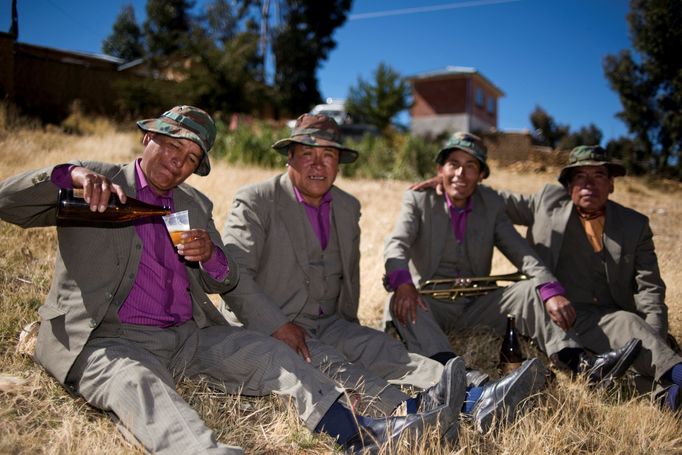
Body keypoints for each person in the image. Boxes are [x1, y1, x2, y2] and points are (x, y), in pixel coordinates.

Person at [0, 106, 450, 454]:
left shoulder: (193, 205)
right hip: (108, 341)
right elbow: (9, 202)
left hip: (189, 337)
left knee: (274, 355)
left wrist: (211, 256)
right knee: (142, 389)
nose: (178, 162)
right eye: (172, 146)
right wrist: (70, 175)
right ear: (147, 138)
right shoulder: (96, 183)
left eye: (191, 158)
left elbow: (226, 278)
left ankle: (361, 432)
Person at [220, 113, 548, 436]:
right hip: (274, 325)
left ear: (339, 163)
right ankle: (412, 414)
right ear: (289, 157)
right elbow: (234, 276)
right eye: (307, 154)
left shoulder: (347, 207)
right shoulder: (256, 200)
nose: (318, 165)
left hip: (330, 322)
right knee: (339, 366)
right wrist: (277, 325)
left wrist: (348, 325)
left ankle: (478, 393)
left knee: (385, 350)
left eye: (328, 155)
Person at [384, 132, 641, 387]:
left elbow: (523, 253)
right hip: (430, 304)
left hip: (477, 305)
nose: (460, 174)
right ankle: (457, 374)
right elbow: (397, 244)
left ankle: (581, 363)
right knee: (402, 301)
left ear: (482, 175)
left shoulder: (491, 203)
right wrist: (403, 283)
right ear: (440, 169)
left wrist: (551, 290)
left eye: (470, 166)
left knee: (531, 289)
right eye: (454, 164)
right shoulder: (418, 199)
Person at [500, 145, 682, 411]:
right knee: (630, 340)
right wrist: (450, 184)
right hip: (556, 318)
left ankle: (668, 396)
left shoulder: (634, 225)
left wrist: (654, 336)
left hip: (609, 317)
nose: (589, 184)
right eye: (580, 176)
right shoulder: (547, 203)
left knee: (631, 329)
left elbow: (650, 289)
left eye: (598, 176)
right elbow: (496, 201)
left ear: (611, 184)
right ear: (569, 185)